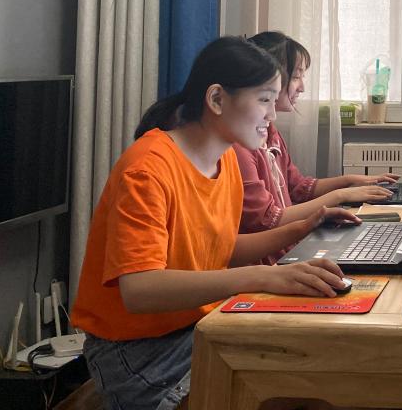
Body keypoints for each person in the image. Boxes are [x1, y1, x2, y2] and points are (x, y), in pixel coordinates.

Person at [71, 37, 359, 410]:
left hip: (193, 326)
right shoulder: (147, 169)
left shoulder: (223, 161)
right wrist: (262, 277)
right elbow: (139, 289)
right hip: (137, 352)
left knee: (314, 364)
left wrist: (304, 226)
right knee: (293, 386)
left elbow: (219, 247)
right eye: (264, 99)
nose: (272, 116)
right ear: (217, 99)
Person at [235, 31, 398, 263]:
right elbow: (267, 220)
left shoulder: (271, 133)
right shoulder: (240, 148)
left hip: (289, 251)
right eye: (296, 77)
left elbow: (298, 187)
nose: (302, 87)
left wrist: (349, 181)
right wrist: (340, 195)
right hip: (272, 263)